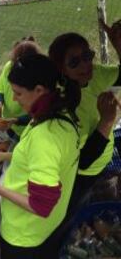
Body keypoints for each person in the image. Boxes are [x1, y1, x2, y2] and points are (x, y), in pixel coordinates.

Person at [0, 54, 81, 259]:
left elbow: (41, 206)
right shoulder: (61, 114)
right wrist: (5, 156)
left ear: (39, 90)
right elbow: (44, 160)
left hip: (24, 234)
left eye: (18, 93)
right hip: (48, 227)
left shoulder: (46, 136)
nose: (14, 98)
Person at [48, 26, 121, 208]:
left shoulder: (96, 73)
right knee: (75, 208)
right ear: (60, 67)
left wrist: (119, 47)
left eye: (87, 56)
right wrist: (107, 120)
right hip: (81, 173)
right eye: (74, 62)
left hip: (103, 158)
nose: (85, 65)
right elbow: (84, 159)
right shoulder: (62, 103)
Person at [0, 36, 42, 139]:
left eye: (18, 93)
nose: (14, 98)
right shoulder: (10, 66)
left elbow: (39, 113)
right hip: (10, 124)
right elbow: (0, 88)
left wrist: (17, 120)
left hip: (26, 130)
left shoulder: (39, 82)